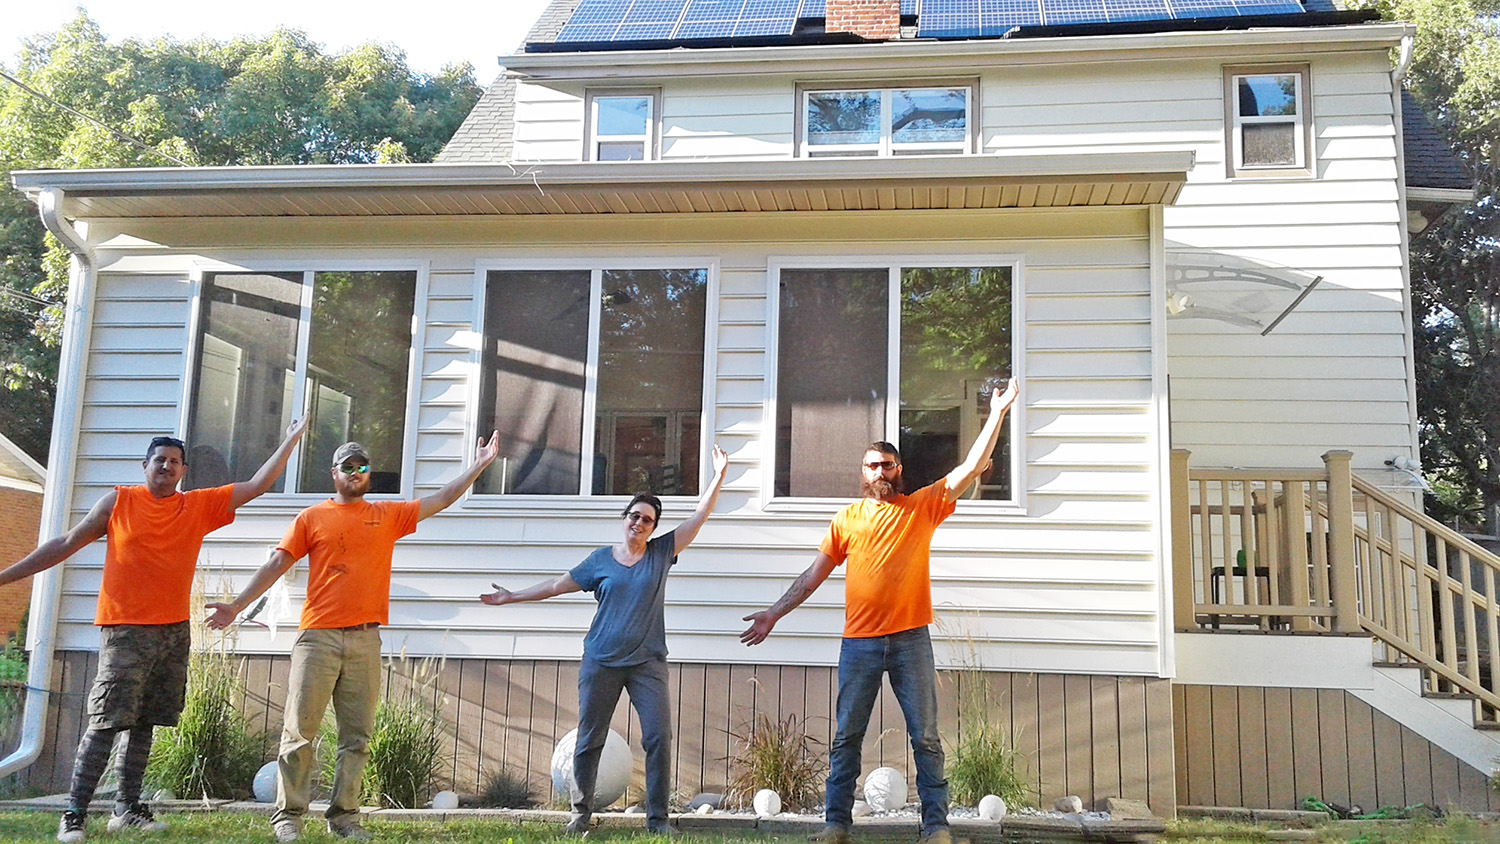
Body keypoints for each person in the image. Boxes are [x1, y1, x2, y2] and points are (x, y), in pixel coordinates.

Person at [0, 418, 310, 844]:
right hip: (125, 630)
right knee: (106, 721)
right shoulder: (119, 502)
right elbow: (66, 542)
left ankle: (126, 809)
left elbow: (257, 485)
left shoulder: (197, 506)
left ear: (183, 471)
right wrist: (5, 577)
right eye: (159, 460)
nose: (166, 466)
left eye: (174, 461)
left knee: (146, 721)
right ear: (144, 466)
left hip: (173, 631)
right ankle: (74, 814)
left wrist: (290, 440)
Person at [740, 379, 1020, 844]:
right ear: (863, 472)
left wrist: (998, 412)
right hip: (860, 644)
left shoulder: (922, 507)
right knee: (847, 737)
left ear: (898, 469)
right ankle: (836, 825)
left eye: (887, 464)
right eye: (872, 465)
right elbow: (811, 576)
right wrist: (773, 613)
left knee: (925, 738)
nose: (880, 471)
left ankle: (936, 828)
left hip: (911, 640)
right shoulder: (846, 520)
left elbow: (970, 467)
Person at [205, 433, 500, 843]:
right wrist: (236, 606)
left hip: (365, 640)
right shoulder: (311, 518)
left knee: (357, 738)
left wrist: (479, 465)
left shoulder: (387, 515)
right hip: (318, 638)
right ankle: (288, 817)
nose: (356, 472)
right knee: (299, 733)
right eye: (348, 467)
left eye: (362, 467)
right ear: (334, 474)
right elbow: (276, 563)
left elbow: (442, 498)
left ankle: (345, 818)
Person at [479, 445, 730, 837]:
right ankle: (580, 815)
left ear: (653, 528)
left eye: (647, 520)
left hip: (647, 663)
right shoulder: (600, 560)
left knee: (658, 738)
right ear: (624, 518)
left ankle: (658, 820)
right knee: (590, 738)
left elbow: (699, 517)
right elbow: (557, 585)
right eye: (635, 516)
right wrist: (511, 596)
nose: (639, 523)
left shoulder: (661, 553)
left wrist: (718, 476)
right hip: (601, 661)